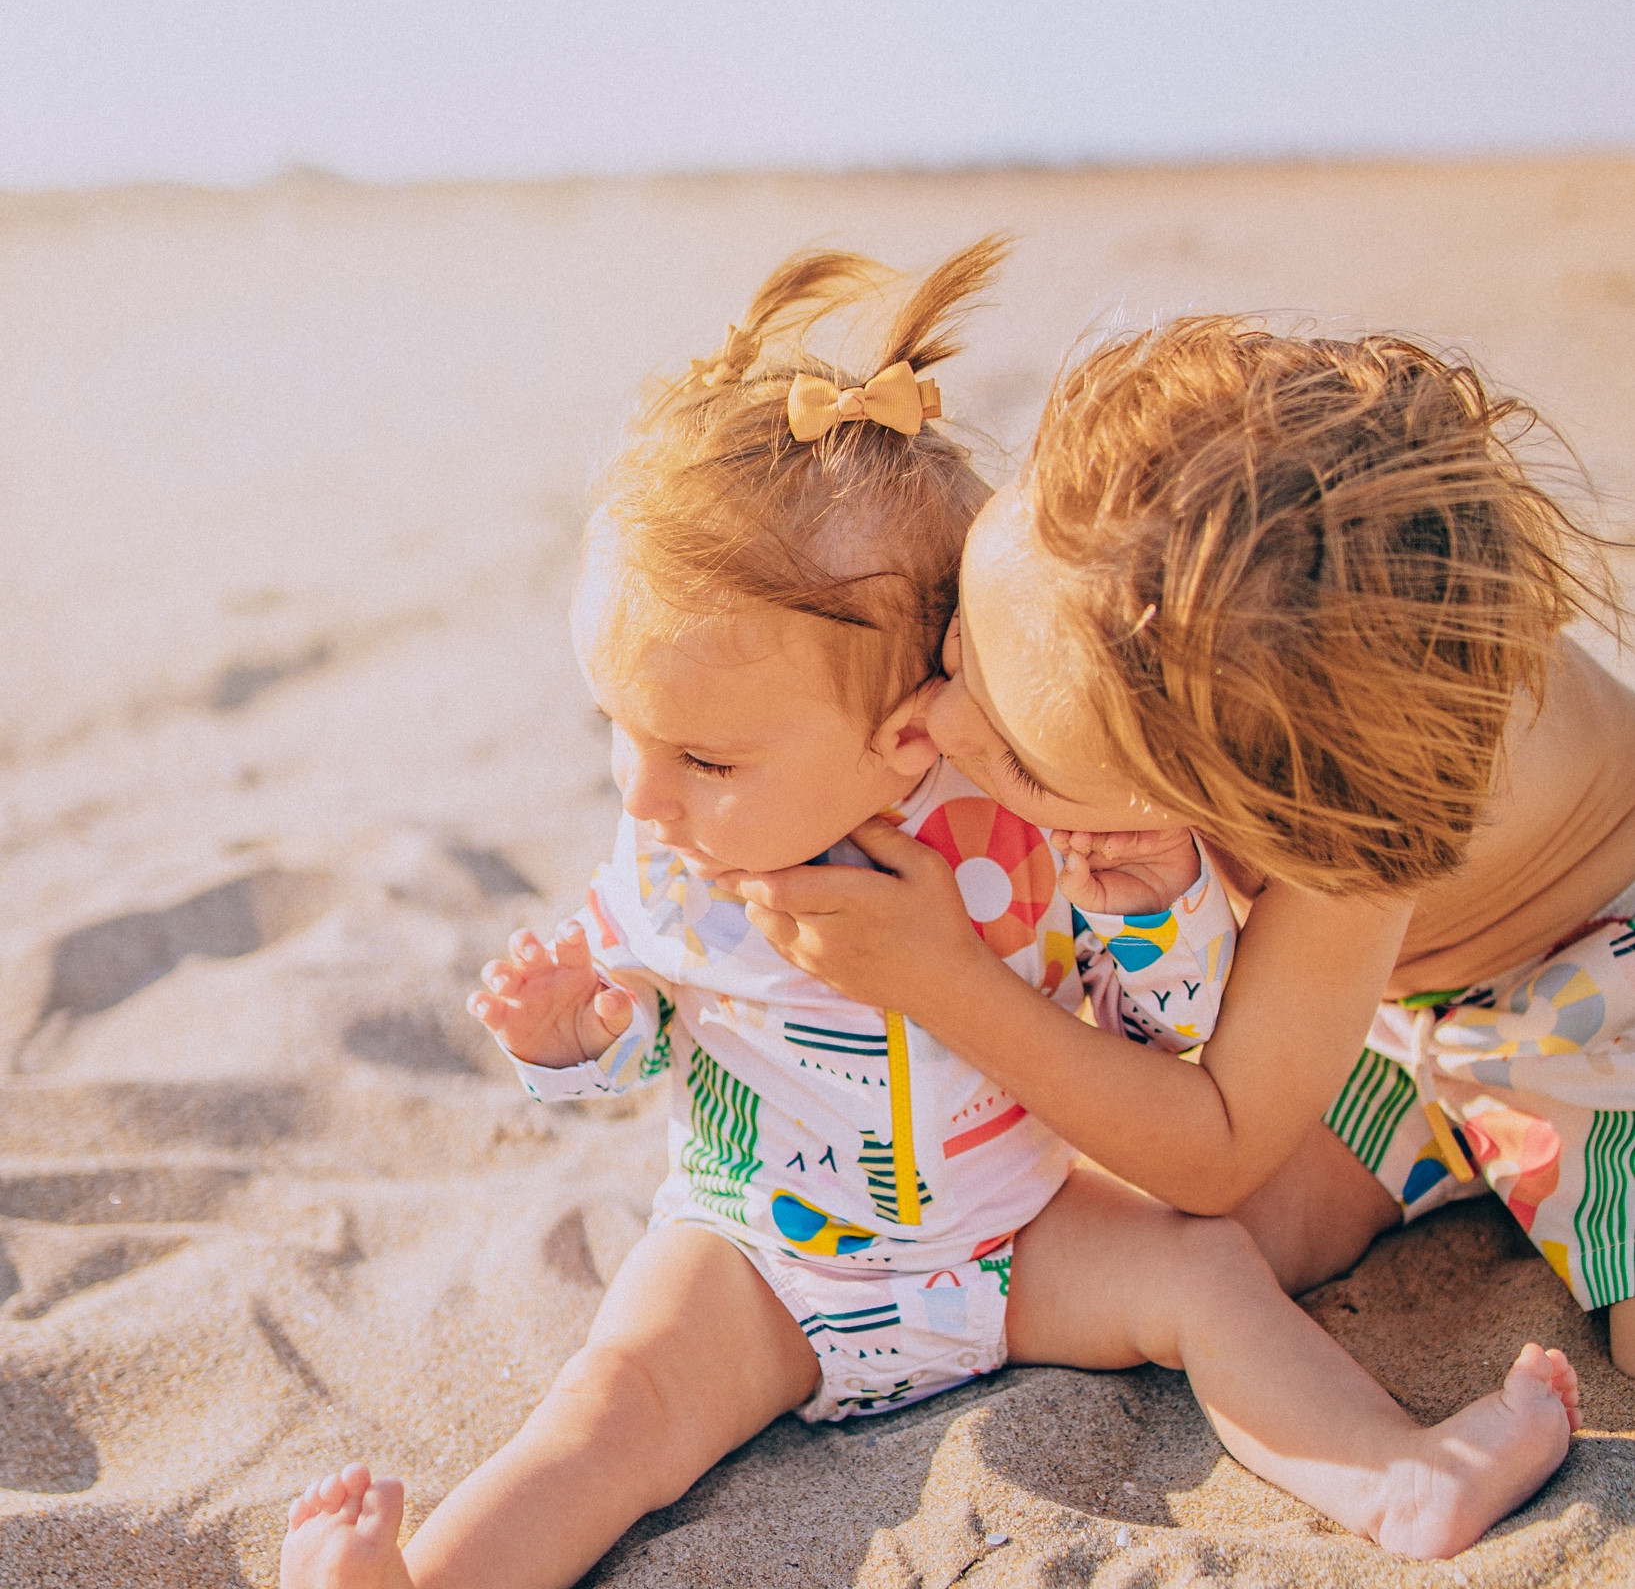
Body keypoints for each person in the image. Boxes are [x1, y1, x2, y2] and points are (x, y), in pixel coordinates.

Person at [280, 257, 1580, 1589]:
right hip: (759, 1254)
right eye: (619, 734)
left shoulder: (1029, 827)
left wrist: (1151, 916)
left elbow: (1170, 1035)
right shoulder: (676, 853)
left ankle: (1393, 1479)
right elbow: (644, 1035)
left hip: (1010, 1245)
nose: (642, 791)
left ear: (900, 730)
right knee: (614, 1406)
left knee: (1207, 1277)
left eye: (705, 758)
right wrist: (579, 1034)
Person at [731, 317, 1635, 1382]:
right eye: (958, 640)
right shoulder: (1134, 571)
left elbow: (1220, 1143)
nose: (946, 722)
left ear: (1256, 804)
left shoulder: (1362, 803)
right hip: (1392, 1021)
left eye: (1017, 756)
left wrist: (943, 978)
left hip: (1595, 993)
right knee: (1184, 1243)